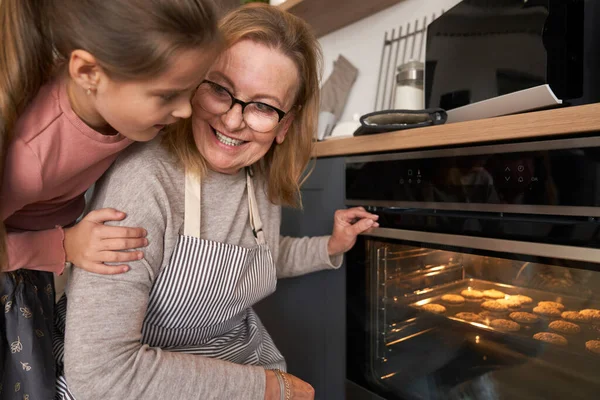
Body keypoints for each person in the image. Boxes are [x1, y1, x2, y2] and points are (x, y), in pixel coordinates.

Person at [61, 3, 378, 400]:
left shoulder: (255, 177)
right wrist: (268, 387)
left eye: (262, 106)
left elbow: (257, 256)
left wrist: (330, 247)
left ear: (284, 126)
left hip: (232, 359)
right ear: (194, 81)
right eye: (219, 89)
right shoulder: (144, 180)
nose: (232, 121)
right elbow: (100, 374)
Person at [0, 0, 221, 398]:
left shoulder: (119, 104)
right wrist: (63, 243)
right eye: (168, 94)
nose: (186, 109)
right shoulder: (27, 155)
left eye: (193, 88)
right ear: (88, 73)